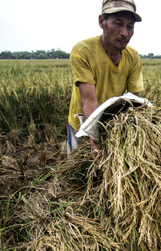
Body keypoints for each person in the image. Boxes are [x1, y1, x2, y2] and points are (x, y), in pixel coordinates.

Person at [67, 0, 143, 159]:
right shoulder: (83, 51)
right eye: (118, 24)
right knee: (77, 172)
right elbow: (89, 101)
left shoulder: (133, 57)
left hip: (111, 121)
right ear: (102, 22)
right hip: (83, 122)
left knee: (107, 170)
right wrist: (94, 140)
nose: (125, 33)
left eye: (130, 26)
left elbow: (134, 101)